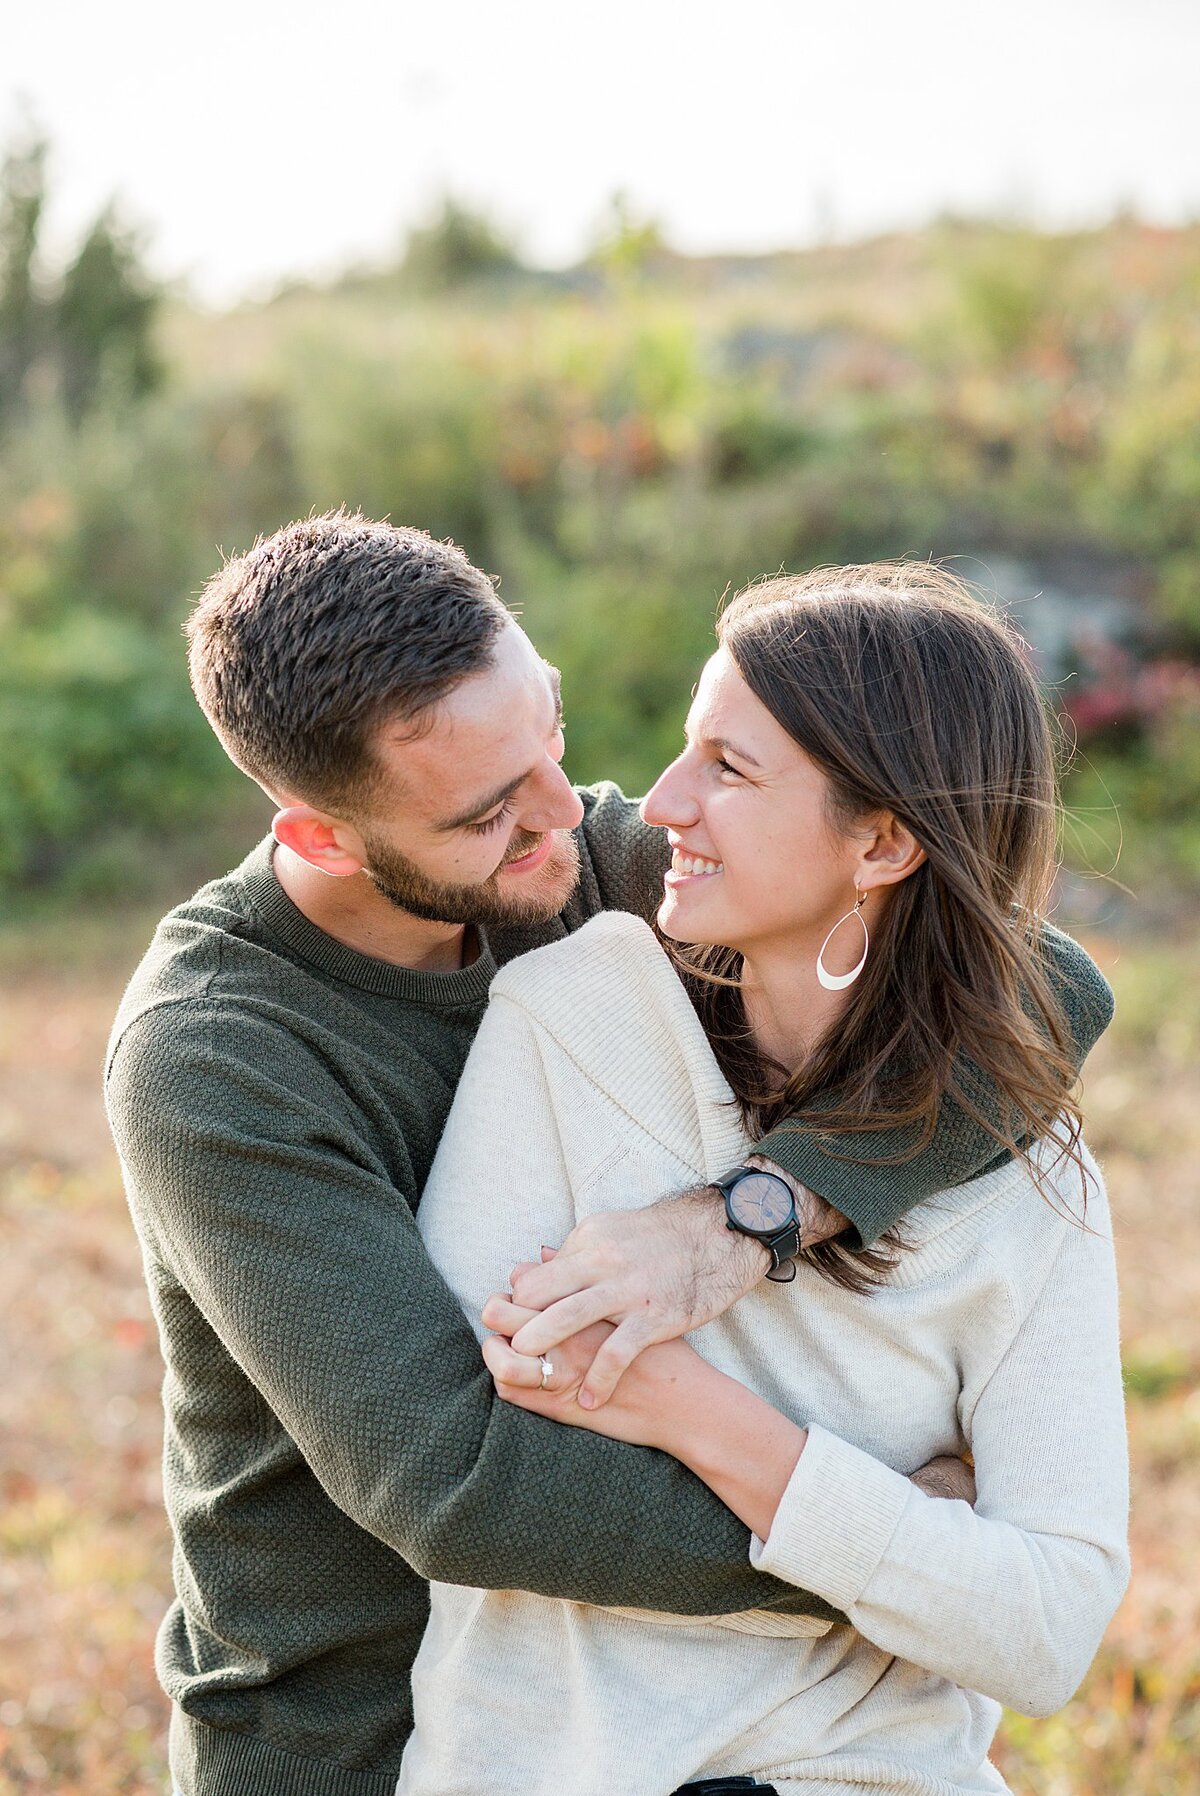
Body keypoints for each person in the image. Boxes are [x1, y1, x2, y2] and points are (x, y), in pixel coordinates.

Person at [103, 517, 1113, 1796]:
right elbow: (455, 1479)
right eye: (485, 816)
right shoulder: (217, 1058)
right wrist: (898, 1555)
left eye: (552, 741)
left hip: (640, 1712)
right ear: (322, 837)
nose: (560, 821)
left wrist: (752, 1214)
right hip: (351, 1726)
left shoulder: (577, 863)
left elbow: (1035, 984)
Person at [402, 563, 1129, 1796]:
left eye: (730, 770)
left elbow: (1048, 1628)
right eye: (687, 749)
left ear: (886, 839)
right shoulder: (570, 1020)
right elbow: (492, 1453)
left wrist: (693, 1407)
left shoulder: (1022, 1174)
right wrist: (911, 1529)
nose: (663, 801)